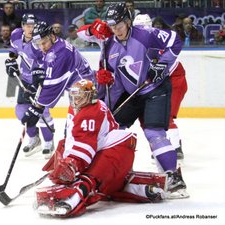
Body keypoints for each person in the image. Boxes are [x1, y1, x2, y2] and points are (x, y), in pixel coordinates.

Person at [77, 3, 189, 199]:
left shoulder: (145, 34)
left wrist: (161, 64)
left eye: (119, 25)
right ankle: (108, 171)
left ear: (128, 21)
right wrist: (108, 101)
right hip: (131, 94)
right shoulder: (109, 43)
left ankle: (173, 177)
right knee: (112, 128)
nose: (116, 30)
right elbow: (81, 34)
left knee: (154, 132)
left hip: (155, 89)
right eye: (112, 26)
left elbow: (176, 41)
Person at [34, 79, 167, 217]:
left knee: (88, 180)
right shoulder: (79, 107)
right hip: (108, 153)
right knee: (105, 185)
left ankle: (70, 201)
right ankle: (142, 188)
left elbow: (86, 144)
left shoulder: (91, 111)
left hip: (115, 153)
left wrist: (73, 163)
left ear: (90, 96)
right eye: (73, 96)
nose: (76, 100)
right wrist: (63, 155)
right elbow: (74, 136)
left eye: (80, 96)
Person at [20, 22, 95, 133]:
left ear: (52, 36)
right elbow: (43, 64)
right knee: (72, 132)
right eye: (39, 44)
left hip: (86, 94)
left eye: (44, 43)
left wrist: (37, 108)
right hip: (78, 92)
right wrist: (33, 86)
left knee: (76, 133)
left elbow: (53, 85)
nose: (42, 48)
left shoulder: (61, 53)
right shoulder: (53, 46)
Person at [134, 15, 188, 160]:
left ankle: (175, 147)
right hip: (163, 80)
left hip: (175, 79)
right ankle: (163, 146)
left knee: (166, 115)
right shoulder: (137, 44)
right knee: (151, 117)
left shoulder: (157, 40)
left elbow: (163, 66)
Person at [5, 14, 55, 157]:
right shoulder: (15, 35)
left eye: (33, 25)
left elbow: (45, 61)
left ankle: (49, 142)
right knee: (21, 112)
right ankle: (34, 139)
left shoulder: (39, 42)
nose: (30, 28)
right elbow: (14, 51)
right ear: (22, 26)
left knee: (41, 112)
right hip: (25, 80)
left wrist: (38, 81)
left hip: (40, 81)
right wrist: (11, 61)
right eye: (27, 25)